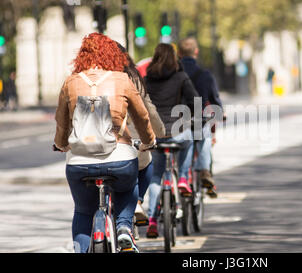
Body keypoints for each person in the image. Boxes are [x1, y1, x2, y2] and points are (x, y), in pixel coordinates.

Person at [54, 33, 156, 253]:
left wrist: (61, 144)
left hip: (79, 162)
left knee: (83, 211)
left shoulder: (70, 82)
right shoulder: (122, 80)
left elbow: (61, 123)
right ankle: (123, 228)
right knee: (129, 188)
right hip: (119, 158)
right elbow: (142, 117)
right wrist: (149, 141)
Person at [144, 43, 198, 238]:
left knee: (156, 175)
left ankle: (151, 220)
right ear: (174, 58)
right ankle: (183, 178)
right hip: (178, 131)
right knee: (189, 139)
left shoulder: (147, 79)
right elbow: (194, 101)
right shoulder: (181, 77)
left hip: (156, 134)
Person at [116, 42, 166, 225]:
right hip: (127, 141)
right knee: (145, 165)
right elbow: (146, 111)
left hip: (90, 146)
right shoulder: (131, 77)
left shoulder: (84, 79)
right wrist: (156, 135)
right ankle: (136, 201)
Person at [178, 37, 223, 198]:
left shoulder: (175, 73)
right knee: (205, 135)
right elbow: (215, 99)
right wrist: (221, 112)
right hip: (199, 117)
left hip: (178, 119)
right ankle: (204, 171)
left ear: (179, 53)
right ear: (196, 52)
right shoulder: (205, 74)